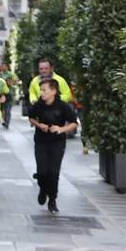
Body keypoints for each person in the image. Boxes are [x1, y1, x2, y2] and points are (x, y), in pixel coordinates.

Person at [26, 78, 78, 213]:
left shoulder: (62, 106)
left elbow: (74, 123)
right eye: (41, 90)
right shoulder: (38, 105)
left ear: (53, 91)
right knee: (42, 172)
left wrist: (61, 129)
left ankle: (52, 199)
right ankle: (43, 189)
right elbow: (31, 117)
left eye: (44, 90)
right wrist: (39, 125)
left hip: (57, 142)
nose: (42, 93)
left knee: (54, 173)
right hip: (41, 141)